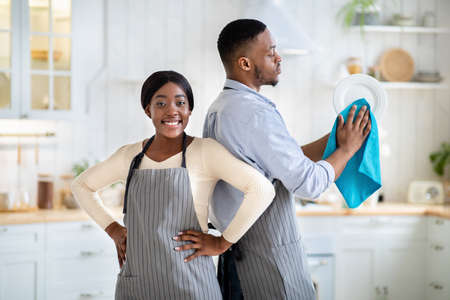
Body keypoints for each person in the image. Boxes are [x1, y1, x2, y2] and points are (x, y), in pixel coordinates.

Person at [178, 19, 372, 299]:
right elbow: (310, 184)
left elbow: (280, 164)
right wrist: (347, 150)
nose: (279, 58)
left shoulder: (222, 107)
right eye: (270, 53)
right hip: (264, 262)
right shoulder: (254, 114)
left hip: (241, 256)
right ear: (244, 63)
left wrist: (338, 137)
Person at [71, 70, 276, 300]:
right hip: (137, 288)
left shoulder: (205, 152)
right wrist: (114, 230)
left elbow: (262, 189)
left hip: (192, 286)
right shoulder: (130, 156)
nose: (172, 111)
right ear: (148, 110)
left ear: (189, 110)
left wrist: (222, 243)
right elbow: (82, 186)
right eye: (161, 103)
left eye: (180, 102)